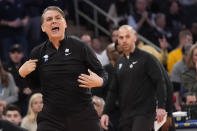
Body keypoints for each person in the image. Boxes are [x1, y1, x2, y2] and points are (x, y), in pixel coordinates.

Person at [18, 6, 107, 131]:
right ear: (43, 27)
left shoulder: (81, 47)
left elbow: (102, 72)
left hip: (82, 113)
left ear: (65, 24)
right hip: (51, 117)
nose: (54, 21)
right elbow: (35, 86)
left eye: (58, 18)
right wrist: (23, 74)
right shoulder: (37, 52)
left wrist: (100, 81)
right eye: (49, 19)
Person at [100, 25, 166, 131]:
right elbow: (113, 91)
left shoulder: (147, 58)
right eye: (121, 38)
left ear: (135, 37)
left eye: (127, 36)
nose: (124, 41)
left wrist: (161, 107)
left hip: (145, 112)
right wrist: (105, 113)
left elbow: (159, 82)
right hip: (125, 114)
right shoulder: (119, 63)